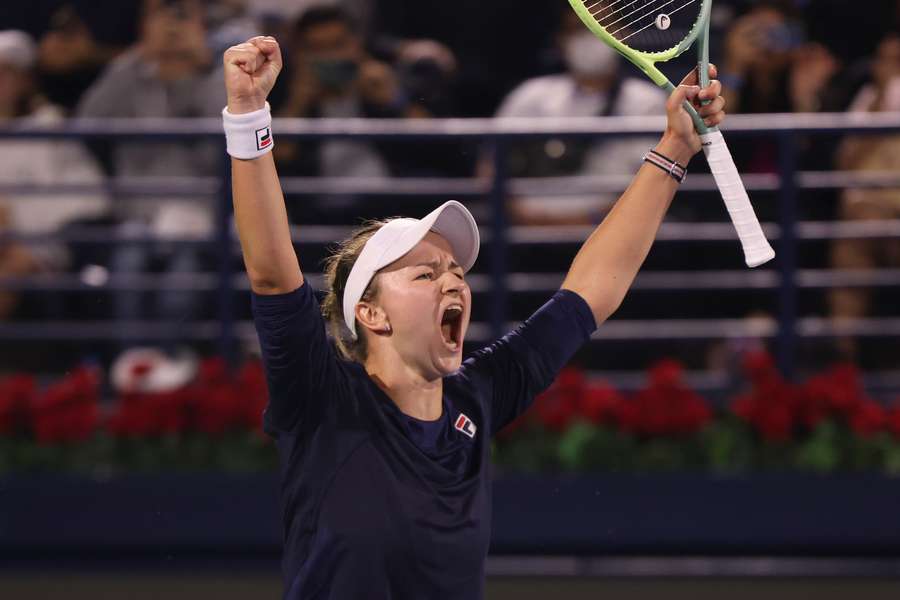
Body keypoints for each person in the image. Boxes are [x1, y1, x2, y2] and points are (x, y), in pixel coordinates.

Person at [223, 34, 725, 599]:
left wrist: (675, 149)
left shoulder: (475, 397)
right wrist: (248, 116)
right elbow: (271, 273)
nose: (453, 280)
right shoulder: (320, 396)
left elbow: (590, 292)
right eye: (425, 274)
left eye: (456, 271)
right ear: (371, 314)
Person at [487, 10, 667, 225]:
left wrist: (588, 223)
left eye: (599, 28)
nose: (589, 38)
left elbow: (652, 183)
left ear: (621, 36)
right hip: (526, 235)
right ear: (561, 40)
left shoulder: (648, 101)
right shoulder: (529, 94)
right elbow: (489, 165)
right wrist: (526, 219)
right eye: (579, 29)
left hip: (611, 232)